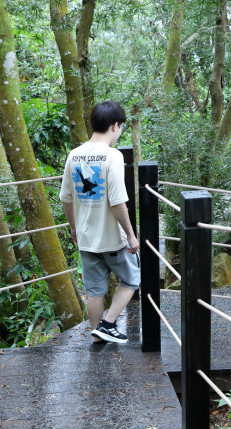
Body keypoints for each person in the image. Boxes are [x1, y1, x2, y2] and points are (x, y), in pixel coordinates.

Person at [59, 101, 140, 343]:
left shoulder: (74, 155)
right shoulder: (113, 156)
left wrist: (74, 227)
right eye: (122, 126)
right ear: (115, 125)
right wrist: (131, 234)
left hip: (86, 237)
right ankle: (107, 324)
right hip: (112, 238)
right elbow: (117, 201)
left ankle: (97, 336)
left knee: (94, 291)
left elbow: (66, 198)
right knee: (132, 279)